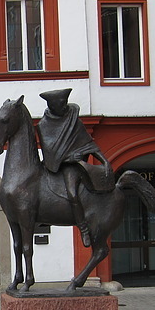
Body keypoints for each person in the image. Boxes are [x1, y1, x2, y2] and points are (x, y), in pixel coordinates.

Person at [37, 88, 114, 247]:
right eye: (61, 104)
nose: (65, 107)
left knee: (72, 193)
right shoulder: (43, 126)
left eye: (65, 103)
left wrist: (105, 161)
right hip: (54, 166)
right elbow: (49, 153)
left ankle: (83, 228)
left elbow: (89, 144)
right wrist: (69, 157)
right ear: (53, 106)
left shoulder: (74, 121)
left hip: (72, 167)